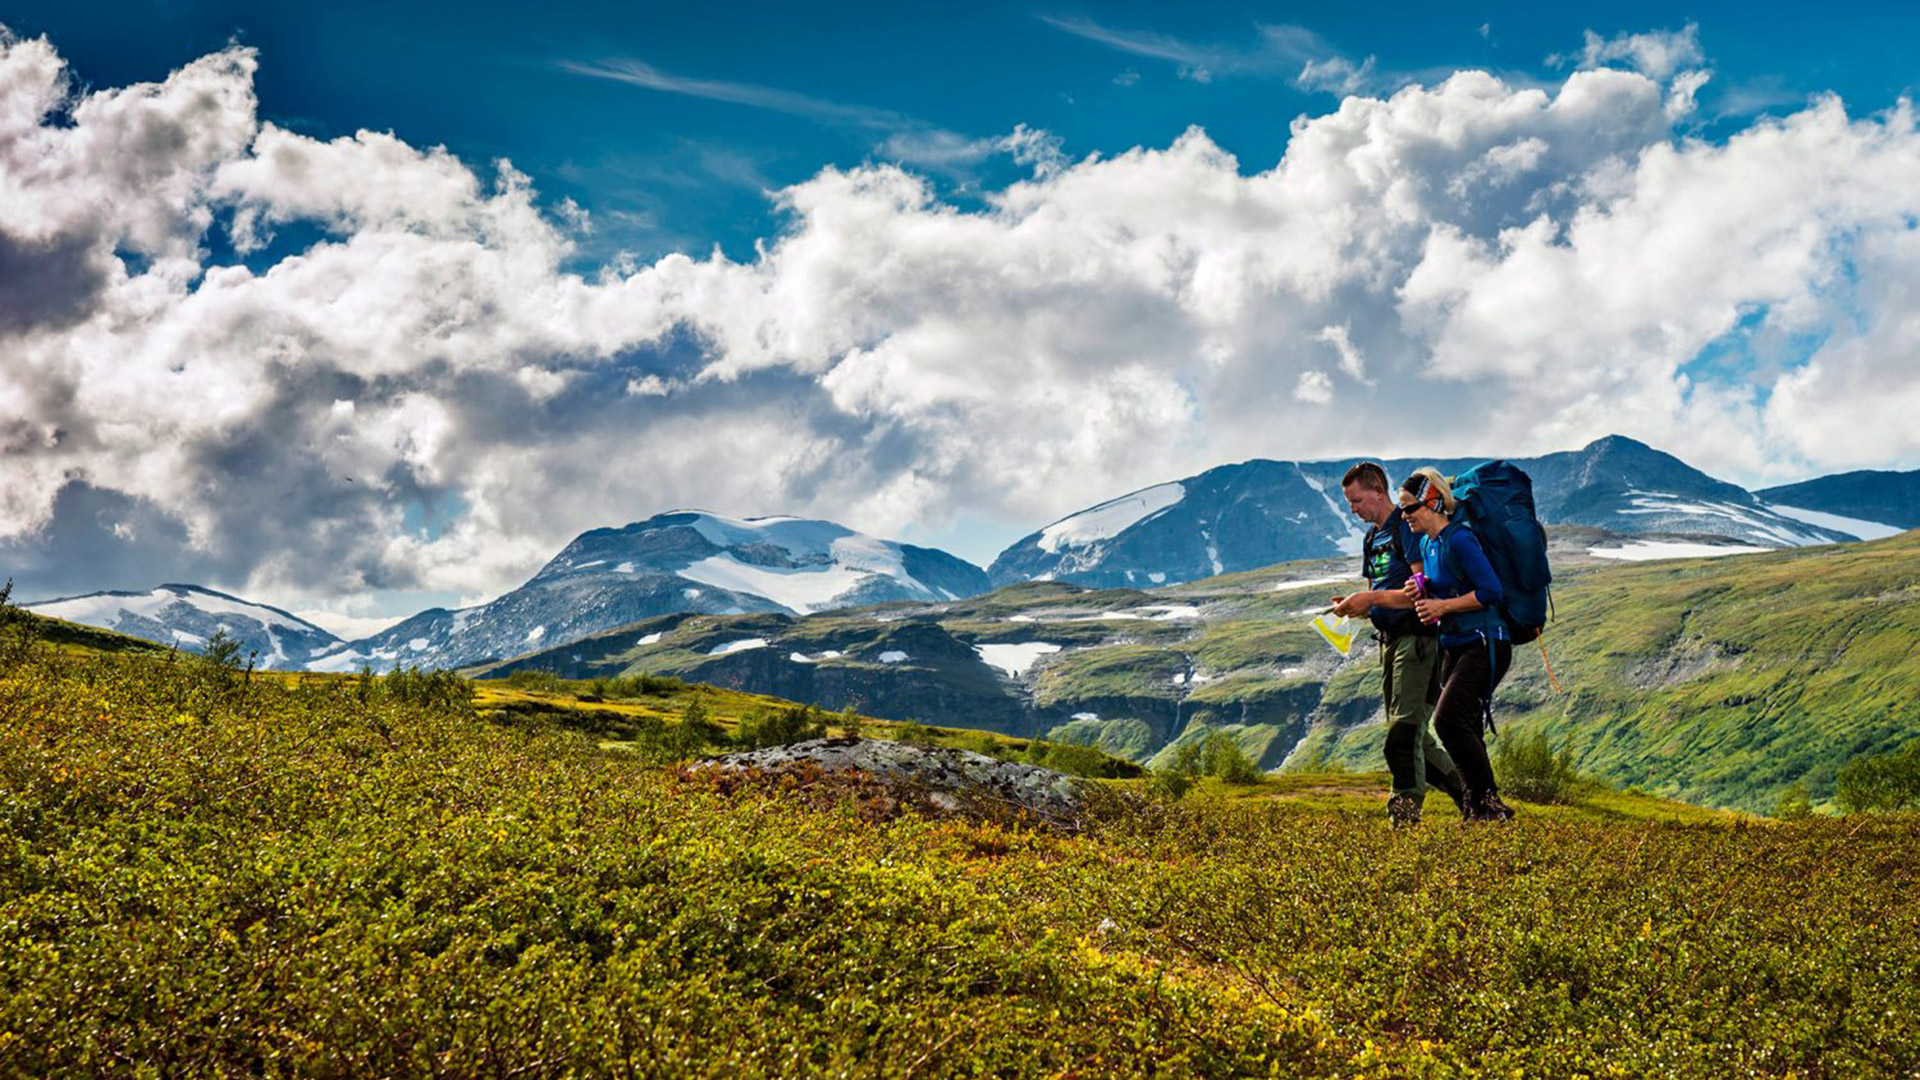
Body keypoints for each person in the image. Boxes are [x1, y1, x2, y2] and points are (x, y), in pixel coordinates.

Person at [1330, 462, 1467, 826]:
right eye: (1349, 503)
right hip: (1389, 643)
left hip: (1419, 641)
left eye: (1357, 500)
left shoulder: (1406, 528)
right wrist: (1355, 605)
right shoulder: (1371, 538)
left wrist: (1370, 600)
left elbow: (1425, 592)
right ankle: (1475, 802)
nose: (1353, 508)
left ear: (1378, 489)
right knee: (1418, 740)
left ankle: (1402, 821)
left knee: (1403, 733)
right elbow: (1379, 589)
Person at [1397, 466, 1515, 822]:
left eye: (1409, 508)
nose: (1404, 517)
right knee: (1465, 725)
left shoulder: (1460, 539)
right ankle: (1478, 811)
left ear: (1432, 502)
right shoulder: (1427, 544)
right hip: (1456, 643)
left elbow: (1491, 591)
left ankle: (1488, 806)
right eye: (1401, 509)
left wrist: (1442, 605)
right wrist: (1421, 588)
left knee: (1448, 721)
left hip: (1484, 642)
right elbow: (1447, 585)